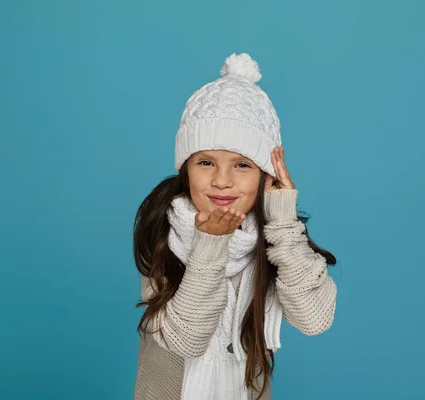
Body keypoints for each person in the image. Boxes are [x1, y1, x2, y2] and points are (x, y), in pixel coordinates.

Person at [133, 53, 337, 400]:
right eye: (206, 162)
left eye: (242, 164)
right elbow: (186, 339)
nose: (222, 181)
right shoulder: (166, 232)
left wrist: (283, 220)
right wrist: (210, 244)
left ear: (265, 175)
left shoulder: (273, 235)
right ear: (186, 168)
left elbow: (313, 320)